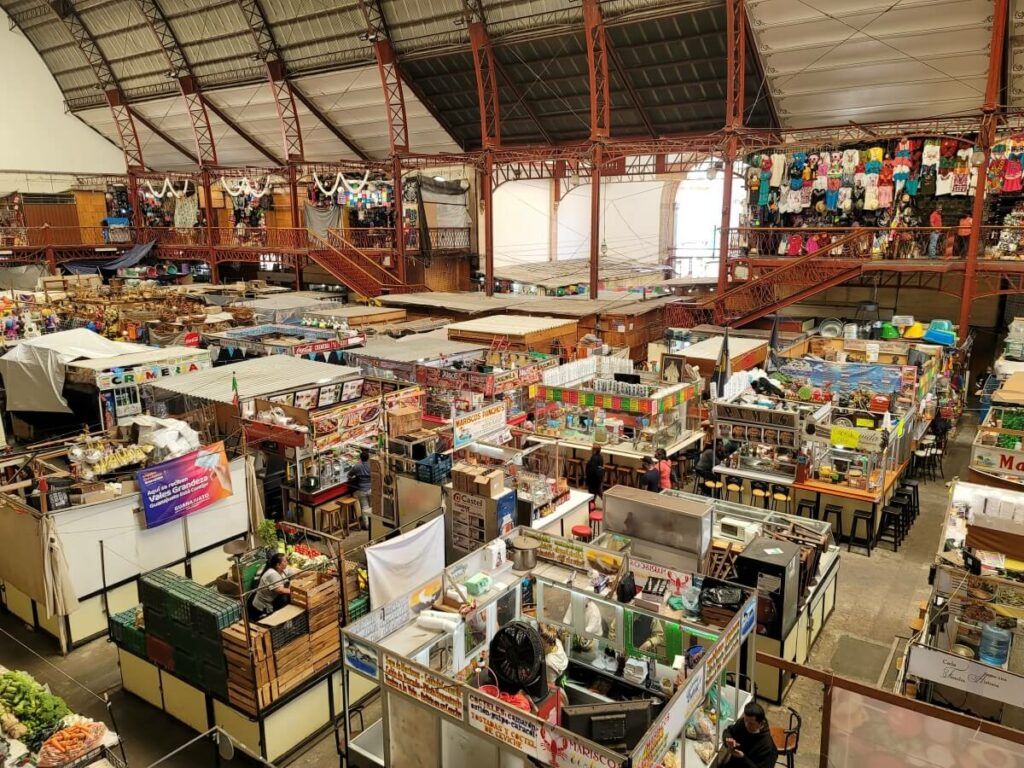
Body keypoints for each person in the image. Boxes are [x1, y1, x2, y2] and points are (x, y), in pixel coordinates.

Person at [721, 702, 778, 768]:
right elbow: (727, 731)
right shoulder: (742, 723)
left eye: (751, 723)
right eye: (745, 720)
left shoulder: (767, 746)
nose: (746, 725)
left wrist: (743, 757)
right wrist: (728, 739)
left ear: (761, 723)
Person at [250, 553, 293, 619]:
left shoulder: (282, 570)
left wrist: (310, 573)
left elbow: (295, 574)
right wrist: (294, 591)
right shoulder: (272, 574)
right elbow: (280, 590)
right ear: (278, 565)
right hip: (262, 607)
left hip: (272, 601)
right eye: (284, 561)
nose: (287, 562)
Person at [352, 450, 372, 530]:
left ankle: (367, 526)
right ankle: (373, 524)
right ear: (368, 458)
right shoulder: (371, 465)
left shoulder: (357, 467)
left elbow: (349, 475)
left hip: (361, 490)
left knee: (364, 507)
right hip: (371, 489)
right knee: (372, 507)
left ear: (360, 458)